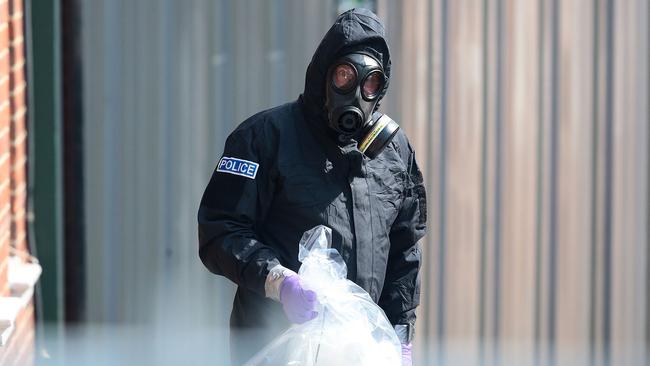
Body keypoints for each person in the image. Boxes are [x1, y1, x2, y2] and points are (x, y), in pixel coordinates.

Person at [198, 8, 426, 365]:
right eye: (345, 76)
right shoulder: (266, 137)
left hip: (359, 350)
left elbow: (404, 252)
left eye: (370, 83)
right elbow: (220, 230)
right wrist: (278, 281)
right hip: (276, 345)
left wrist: (400, 334)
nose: (356, 92)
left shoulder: (392, 152)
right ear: (324, 74)